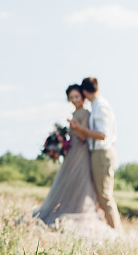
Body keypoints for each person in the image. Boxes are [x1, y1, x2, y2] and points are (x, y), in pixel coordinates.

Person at [32, 84, 109, 233]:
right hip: (71, 153)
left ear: (82, 97)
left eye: (77, 97)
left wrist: (76, 128)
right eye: (71, 97)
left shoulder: (85, 114)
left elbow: (83, 137)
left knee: (80, 183)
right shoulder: (75, 113)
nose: (74, 100)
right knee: (66, 183)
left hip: (81, 154)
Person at [70, 77, 122, 229]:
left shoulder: (100, 106)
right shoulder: (96, 105)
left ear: (85, 92)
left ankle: (117, 231)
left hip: (102, 153)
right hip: (99, 153)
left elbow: (102, 134)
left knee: (105, 195)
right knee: (100, 195)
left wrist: (80, 129)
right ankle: (109, 228)